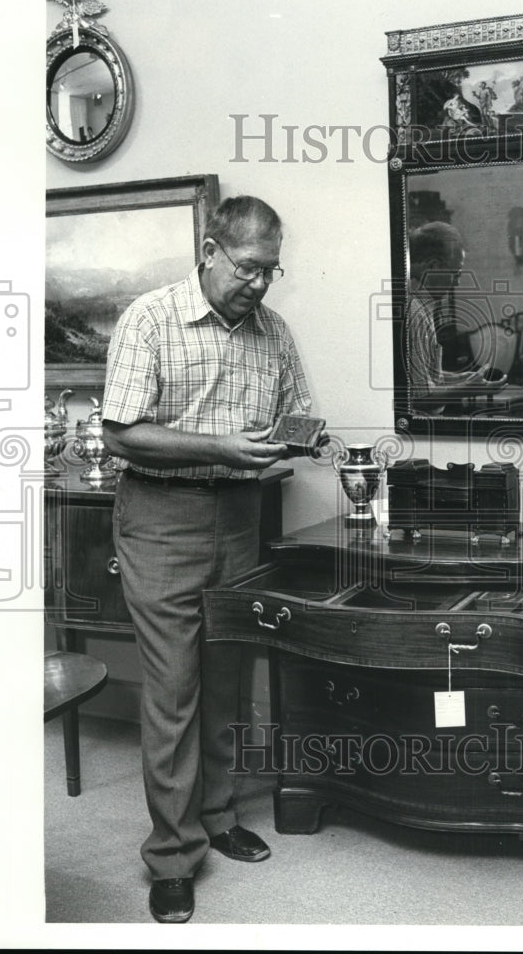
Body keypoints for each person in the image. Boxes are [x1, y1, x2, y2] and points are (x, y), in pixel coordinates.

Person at [102, 195, 313, 924]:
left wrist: (298, 439)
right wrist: (219, 447)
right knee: (173, 691)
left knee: (226, 676)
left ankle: (218, 815)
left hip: (239, 518)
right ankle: (171, 854)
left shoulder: (273, 332)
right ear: (210, 250)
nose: (259, 284)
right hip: (162, 517)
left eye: (271, 271)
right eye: (250, 268)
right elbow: (121, 433)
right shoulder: (150, 318)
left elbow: (294, 412)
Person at [406, 221, 502, 415]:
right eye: (455, 273)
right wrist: (467, 388)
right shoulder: (416, 312)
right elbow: (420, 398)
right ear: (433, 267)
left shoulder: (420, 304)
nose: (457, 282)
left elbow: (422, 379)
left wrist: (459, 379)